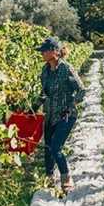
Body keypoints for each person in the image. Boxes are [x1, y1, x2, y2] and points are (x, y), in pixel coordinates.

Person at [35, 36, 85, 194]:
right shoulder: (45, 70)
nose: (42, 53)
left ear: (54, 52)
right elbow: (44, 94)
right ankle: (49, 177)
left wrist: (70, 106)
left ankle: (66, 177)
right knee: (48, 148)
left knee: (56, 147)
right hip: (50, 114)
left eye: (44, 51)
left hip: (65, 115)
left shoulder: (66, 68)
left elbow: (81, 90)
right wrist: (33, 107)